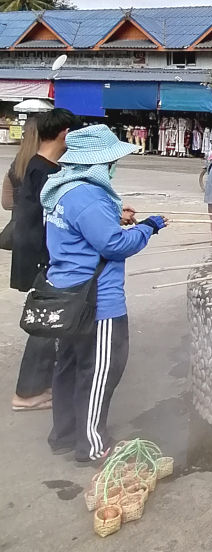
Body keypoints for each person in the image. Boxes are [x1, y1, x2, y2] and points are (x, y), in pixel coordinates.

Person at [40, 124, 168, 463]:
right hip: (96, 302)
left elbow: (86, 235)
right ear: (98, 163)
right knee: (99, 371)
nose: (114, 167)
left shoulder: (63, 190)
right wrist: (147, 228)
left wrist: (117, 218)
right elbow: (113, 245)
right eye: (112, 162)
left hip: (66, 297)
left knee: (68, 367)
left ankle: (64, 434)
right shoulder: (88, 196)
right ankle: (93, 444)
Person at [6, 110, 81, 412]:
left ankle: (38, 386)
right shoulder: (45, 172)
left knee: (50, 323)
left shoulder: (35, 165)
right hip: (44, 258)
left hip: (37, 255)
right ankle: (26, 394)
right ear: (65, 133)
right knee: (47, 322)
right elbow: (51, 218)